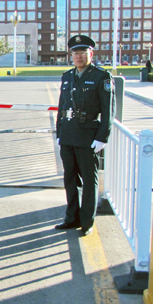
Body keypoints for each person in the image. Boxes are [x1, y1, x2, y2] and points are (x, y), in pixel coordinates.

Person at [55, 35, 114, 236]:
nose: (78, 56)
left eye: (82, 52)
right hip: (68, 135)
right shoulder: (67, 76)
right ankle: (72, 218)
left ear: (91, 53)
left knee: (89, 180)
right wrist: (59, 132)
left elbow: (108, 110)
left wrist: (102, 137)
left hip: (88, 136)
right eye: (75, 53)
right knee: (70, 179)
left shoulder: (101, 77)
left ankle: (87, 222)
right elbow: (62, 107)